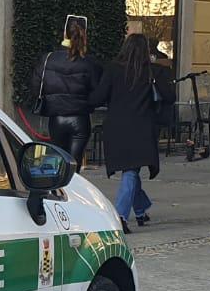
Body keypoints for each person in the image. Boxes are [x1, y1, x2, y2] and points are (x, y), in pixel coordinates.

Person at [96, 34, 171, 228]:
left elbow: (98, 97)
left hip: (116, 127)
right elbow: (170, 96)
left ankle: (140, 208)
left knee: (130, 169)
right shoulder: (153, 72)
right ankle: (121, 216)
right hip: (141, 128)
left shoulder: (113, 70)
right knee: (131, 171)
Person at [33, 18, 102, 167]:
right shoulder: (89, 62)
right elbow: (97, 93)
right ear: (85, 35)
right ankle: (71, 189)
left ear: (64, 33)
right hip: (80, 118)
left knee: (59, 163)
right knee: (73, 167)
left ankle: (59, 189)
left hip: (56, 118)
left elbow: (36, 86)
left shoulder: (48, 59)